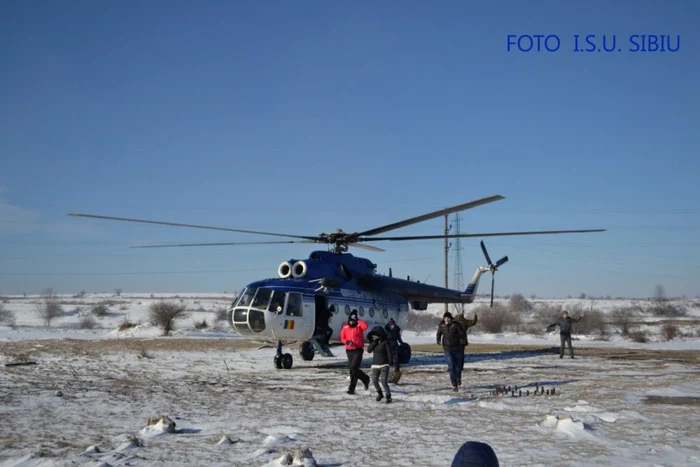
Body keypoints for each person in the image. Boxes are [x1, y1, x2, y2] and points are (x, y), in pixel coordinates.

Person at [339, 310, 370, 394]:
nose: (352, 322)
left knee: (353, 368)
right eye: (350, 321)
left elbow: (366, 326)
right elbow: (342, 337)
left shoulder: (359, 325)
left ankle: (364, 379)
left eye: (353, 321)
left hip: (358, 350)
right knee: (352, 370)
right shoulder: (345, 327)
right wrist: (347, 342)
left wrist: (358, 319)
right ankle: (353, 388)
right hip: (349, 350)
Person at [436, 311, 467, 391]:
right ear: (444, 319)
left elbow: (462, 333)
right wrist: (438, 339)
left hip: (457, 348)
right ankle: (454, 384)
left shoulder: (456, 325)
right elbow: (439, 333)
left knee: (458, 366)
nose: (447, 319)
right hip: (447, 348)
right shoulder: (442, 325)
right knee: (451, 367)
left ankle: (458, 377)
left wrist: (461, 339)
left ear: (451, 318)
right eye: (445, 318)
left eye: (448, 318)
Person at [367, 325, 393, 403]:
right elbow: (369, 350)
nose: (375, 337)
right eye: (374, 336)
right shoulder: (373, 343)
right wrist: (374, 342)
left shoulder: (385, 342)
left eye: (376, 335)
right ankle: (380, 394)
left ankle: (388, 397)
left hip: (384, 364)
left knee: (384, 382)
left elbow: (389, 353)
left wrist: (390, 362)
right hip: (375, 364)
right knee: (374, 381)